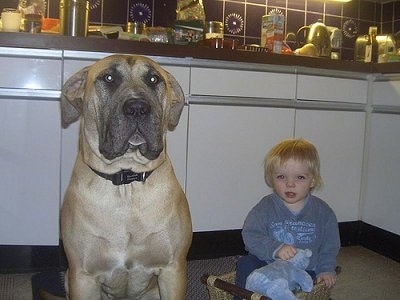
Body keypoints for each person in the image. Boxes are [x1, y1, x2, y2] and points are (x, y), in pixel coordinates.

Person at [234, 138, 340, 299]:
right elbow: (251, 235)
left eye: (300, 177)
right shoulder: (265, 207)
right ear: (271, 178)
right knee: (245, 264)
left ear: (313, 179)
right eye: (282, 177)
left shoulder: (323, 212)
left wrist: (326, 269)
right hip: (267, 265)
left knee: (311, 285)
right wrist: (275, 249)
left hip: (303, 271)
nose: (290, 184)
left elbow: (329, 246)